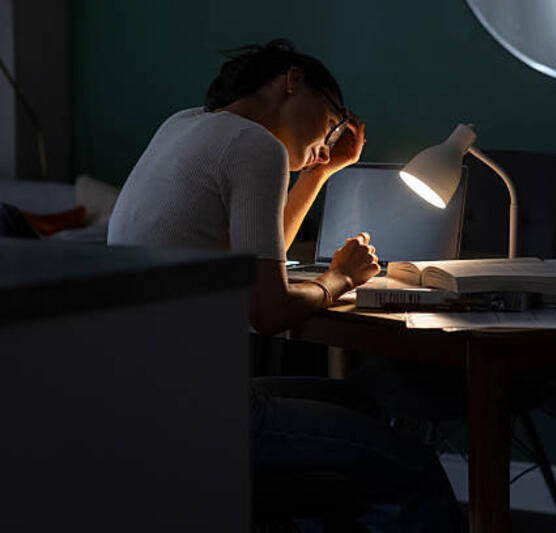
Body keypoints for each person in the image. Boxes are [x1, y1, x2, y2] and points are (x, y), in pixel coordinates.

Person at [107, 39, 464, 532]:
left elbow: (258, 254)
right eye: (333, 120)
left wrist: (320, 173)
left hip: (138, 407)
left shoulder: (183, 125)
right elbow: (270, 311)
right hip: (208, 412)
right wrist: (340, 278)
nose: (330, 138)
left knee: (359, 403)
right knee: (415, 466)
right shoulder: (257, 146)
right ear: (292, 81)